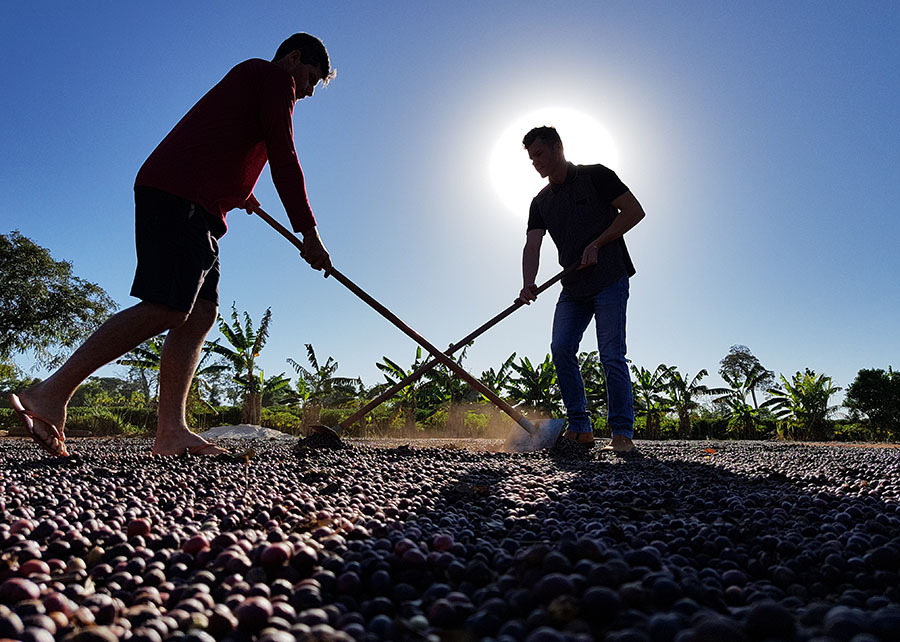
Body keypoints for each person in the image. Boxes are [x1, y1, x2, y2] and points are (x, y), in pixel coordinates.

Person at [10, 33, 335, 458]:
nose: (307, 91)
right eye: (310, 78)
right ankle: (50, 393)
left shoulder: (255, 81)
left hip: (198, 204)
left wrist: (242, 191)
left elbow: (224, 138)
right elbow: (283, 155)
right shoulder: (273, 78)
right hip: (180, 195)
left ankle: (171, 432)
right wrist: (308, 231)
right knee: (168, 306)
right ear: (293, 58)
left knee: (200, 314)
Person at [517, 126, 645, 452]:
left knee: (611, 355)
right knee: (561, 348)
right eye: (531, 158)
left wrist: (598, 243)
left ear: (558, 147)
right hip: (573, 287)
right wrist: (528, 282)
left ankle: (621, 434)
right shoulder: (540, 202)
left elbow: (634, 211)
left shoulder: (596, 175)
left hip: (609, 278)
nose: (536, 162)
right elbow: (532, 245)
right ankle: (580, 427)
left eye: (540, 154)